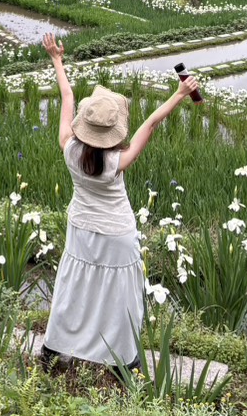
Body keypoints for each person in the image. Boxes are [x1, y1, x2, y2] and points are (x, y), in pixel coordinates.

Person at [40, 33, 200, 368]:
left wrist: (56, 58)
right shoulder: (116, 163)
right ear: (113, 133)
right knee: (119, 298)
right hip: (117, 235)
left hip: (82, 230)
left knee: (74, 290)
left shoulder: (69, 147)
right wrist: (181, 92)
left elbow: (67, 94)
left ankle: (54, 349)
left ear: (84, 127)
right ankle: (123, 360)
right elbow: (153, 122)